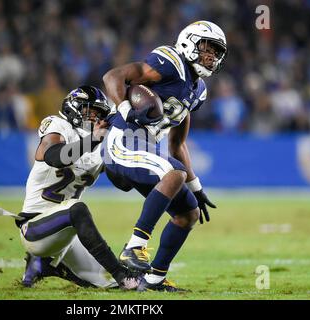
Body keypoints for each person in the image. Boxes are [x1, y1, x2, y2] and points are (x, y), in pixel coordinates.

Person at [0, 85, 139, 290]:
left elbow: (124, 184)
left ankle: (42, 265)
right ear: (73, 107)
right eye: (89, 111)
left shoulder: (98, 145)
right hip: (35, 228)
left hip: (65, 236)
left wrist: (123, 155)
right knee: (77, 208)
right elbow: (53, 156)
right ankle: (122, 275)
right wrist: (93, 140)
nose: (92, 118)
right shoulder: (58, 125)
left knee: (100, 284)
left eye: (97, 114)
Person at [101, 21, 227, 291]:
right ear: (189, 42)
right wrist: (124, 108)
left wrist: (197, 187)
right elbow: (113, 76)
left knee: (188, 213)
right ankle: (134, 247)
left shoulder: (198, 90)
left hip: (144, 150)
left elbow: (178, 143)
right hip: (123, 141)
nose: (212, 57)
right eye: (208, 48)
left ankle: (154, 279)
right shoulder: (170, 61)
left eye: (217, 52)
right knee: (174, 173)